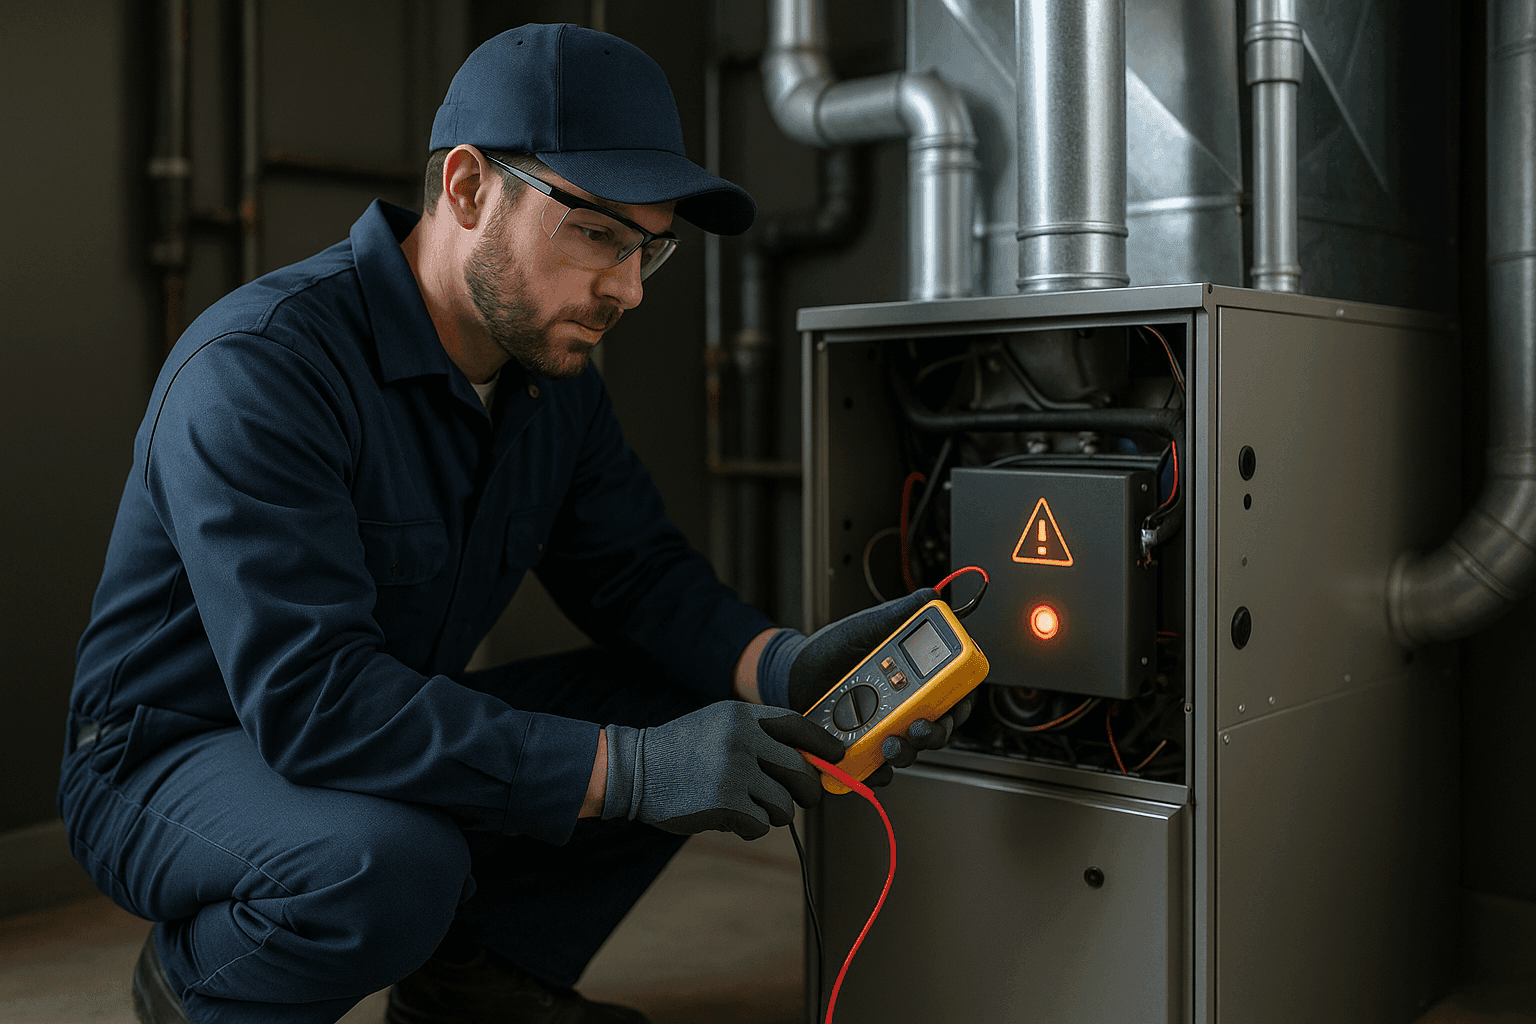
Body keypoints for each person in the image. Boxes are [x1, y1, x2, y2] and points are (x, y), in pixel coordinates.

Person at [59, 23, 971, 1024]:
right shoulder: (264, 370)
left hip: (352, 729)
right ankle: (197, 985)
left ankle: (465, 987)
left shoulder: (548, 374)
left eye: (649, 251)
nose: (626, 288)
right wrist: (629, 770)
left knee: (679, 688)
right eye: (598, 234)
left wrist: (780, 664)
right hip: (166, 758)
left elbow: (638, 576)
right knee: (389, 861)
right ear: (465, 188)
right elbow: (313, 698)